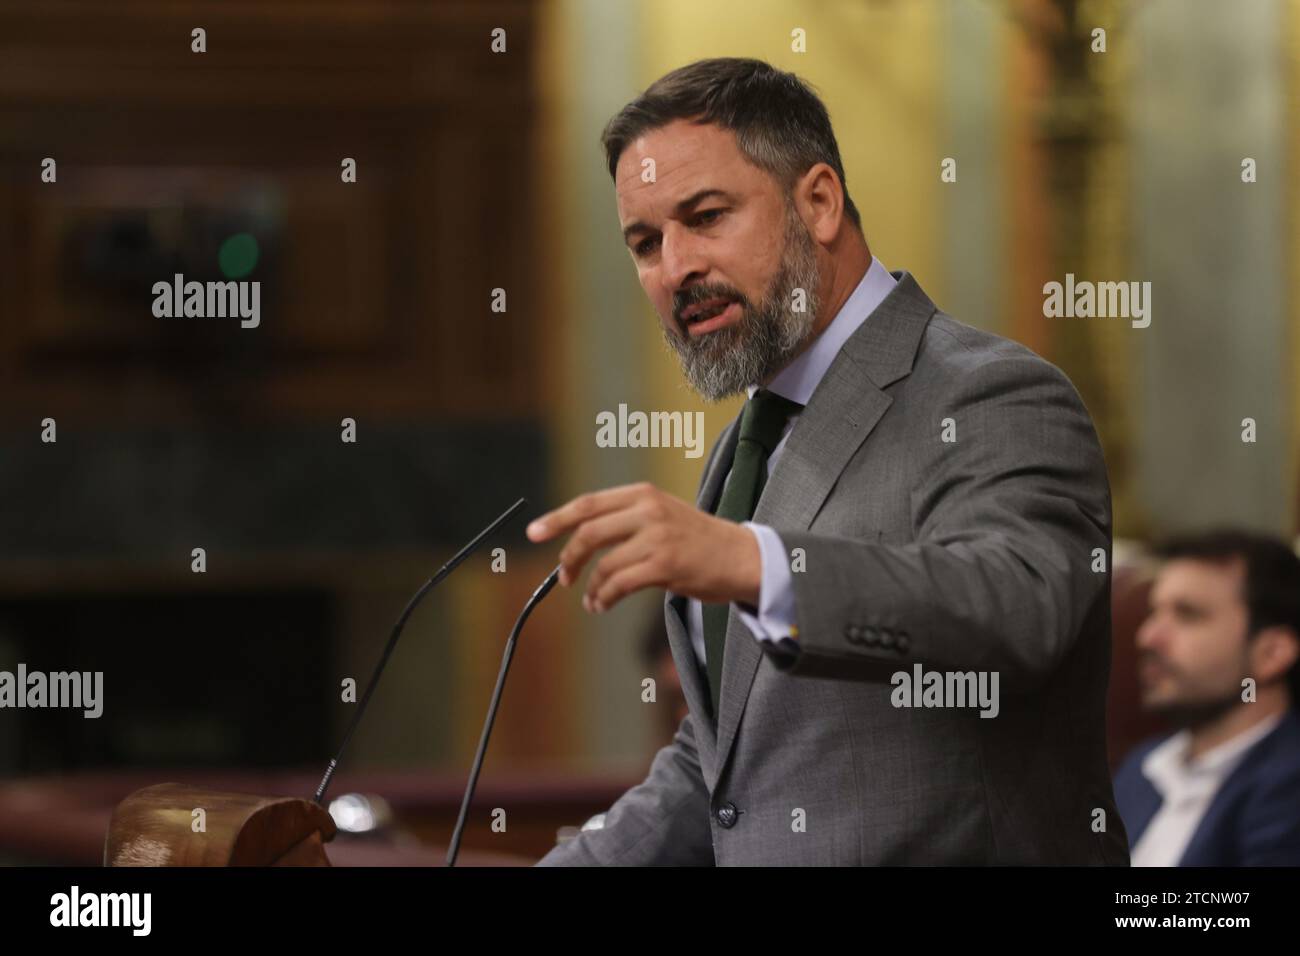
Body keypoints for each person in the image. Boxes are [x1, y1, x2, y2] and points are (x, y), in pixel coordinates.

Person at [528, 57, 1127, 865]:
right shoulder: (751, 442)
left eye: (705, 216)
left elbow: (1018, 612)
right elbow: (727, 768)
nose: (675, 270)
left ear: (818, 201)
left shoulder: (989, 394)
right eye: (645, 242)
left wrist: (750, 561)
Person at [1113, 530, 1300, 865]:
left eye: (1187, 615)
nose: (1148, 637)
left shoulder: (1289, 783)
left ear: (1271, 653)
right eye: (1154, 613)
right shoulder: (1144, 764)